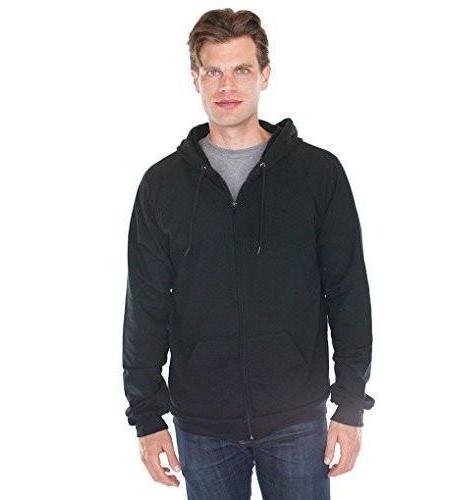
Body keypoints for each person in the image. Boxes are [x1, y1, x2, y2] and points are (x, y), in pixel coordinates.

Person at [122, 8, 375, 499]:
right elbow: (145, 306)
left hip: (297, 420)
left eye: (241, 69)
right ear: (194, 78)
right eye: (212, 71)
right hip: (202, 425)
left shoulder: (317, 174)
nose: (226, 86)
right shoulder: (163, 185)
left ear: (265, 74)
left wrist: (349, 406)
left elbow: (347, 293)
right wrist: (147, 416)